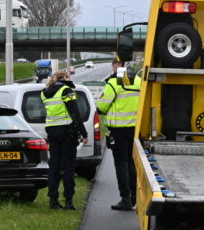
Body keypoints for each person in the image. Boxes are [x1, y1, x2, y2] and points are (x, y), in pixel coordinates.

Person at [97, 57, 142, 210]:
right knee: (131, 163)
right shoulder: (137, 80)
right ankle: (135, 196)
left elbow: (102, 107)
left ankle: (125, 199)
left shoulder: (114, 82)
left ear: (116, 66)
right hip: (134, 129)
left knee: (121, 164)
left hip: (118, 130)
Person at [41, 69, 87, 210]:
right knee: (68, 168)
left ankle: (53, 201)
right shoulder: (67, 91)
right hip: (67, 132)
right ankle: (68, 201)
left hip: (52, 133)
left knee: (54, 167)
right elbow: (75, 113)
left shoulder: (44, 92)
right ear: (66, 77)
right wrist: (84, 133)